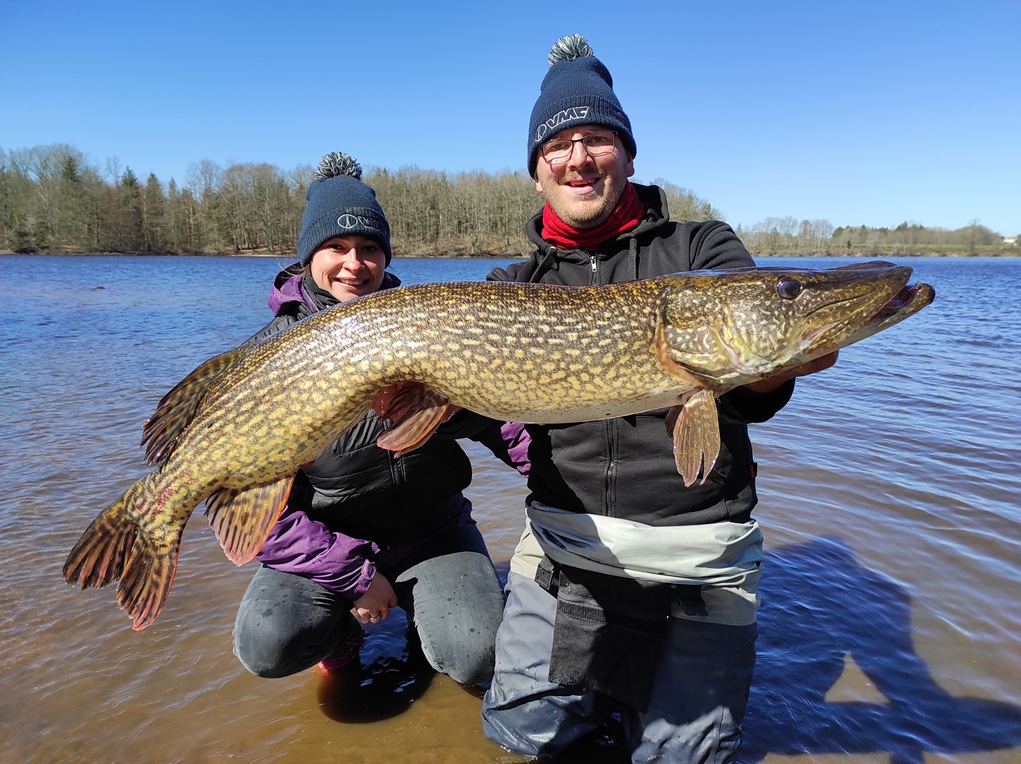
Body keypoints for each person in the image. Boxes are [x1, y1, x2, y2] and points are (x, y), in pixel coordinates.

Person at [480, 36, 837, 762]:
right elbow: (467, 415)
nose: (579, 157)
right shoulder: (509, 288)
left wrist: (772, 367)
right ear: (537, 170)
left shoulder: (702, 249)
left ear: (629, 156)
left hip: (698, 558)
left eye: (599, 138)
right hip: (565, 548)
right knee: (524, 743)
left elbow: (746, 396)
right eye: (559, 144)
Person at [232, 152, 505, 687]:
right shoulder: (270, 357)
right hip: (329, 540)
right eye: (335, 247)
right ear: (309, 255)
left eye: (369, 248)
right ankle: (339, 637)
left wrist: (559, 478)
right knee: (269, 642)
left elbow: (505, 419)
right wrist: (352, 575)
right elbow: (251, 511)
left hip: (434, 531)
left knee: (480, 655)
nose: (354, 263)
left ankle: (428, 633)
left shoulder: (428, 326)